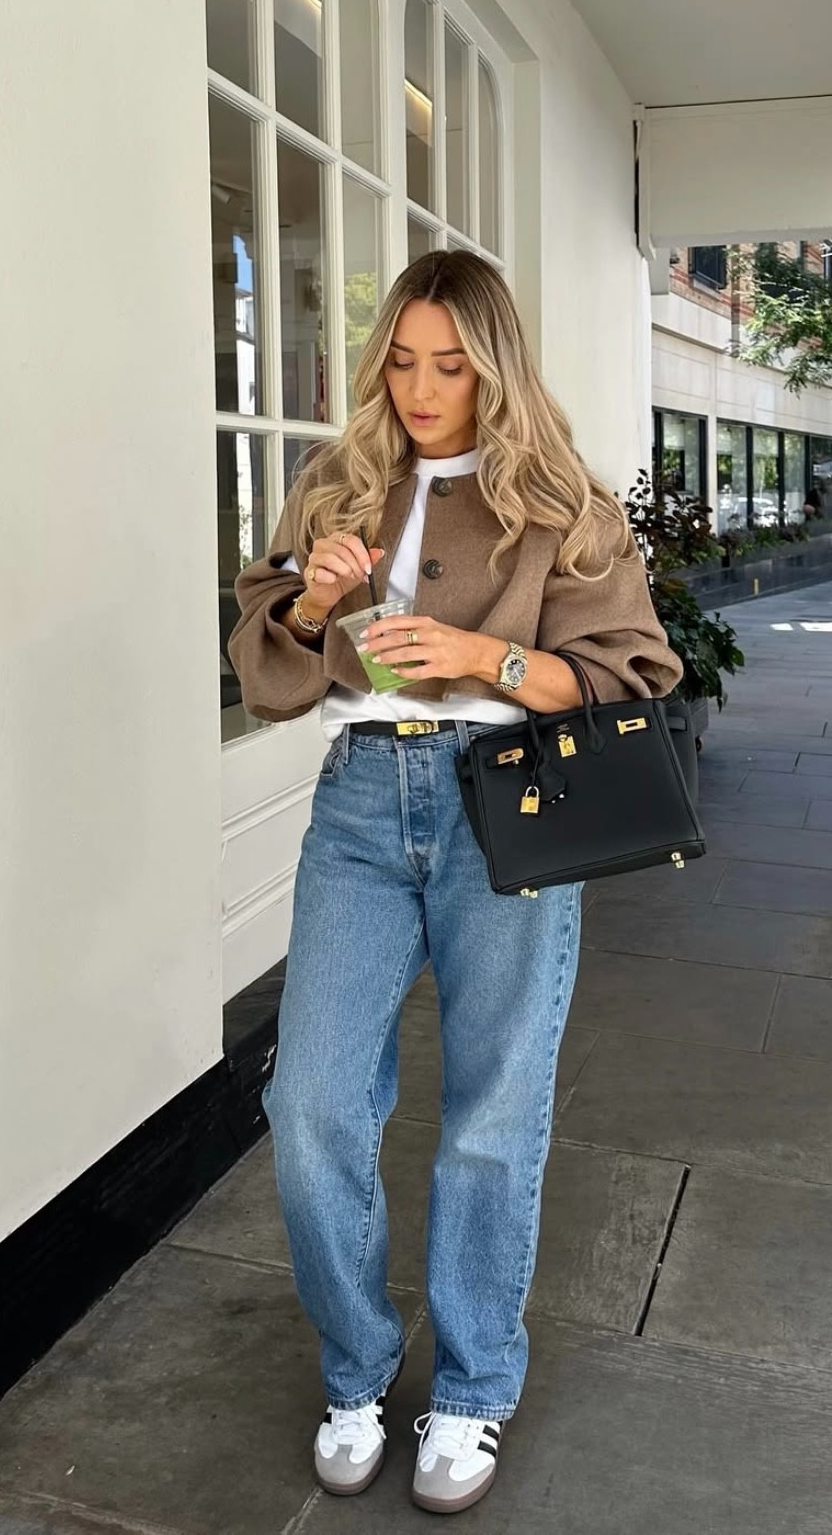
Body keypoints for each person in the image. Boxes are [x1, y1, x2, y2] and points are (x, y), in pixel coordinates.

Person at [229, 251, 681, 1515]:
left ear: (493, 363)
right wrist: (316, 604)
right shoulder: (337, 481)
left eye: (451, 364)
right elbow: (269, 656)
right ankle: (358, 1364)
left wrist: (486, 654)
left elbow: (634, 674)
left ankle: (474, 1388)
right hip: (363, 803)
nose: (422, 389)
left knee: (492, 1108)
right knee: (311, 1103)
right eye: (403, 360)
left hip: (511, 801)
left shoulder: (559, 501)